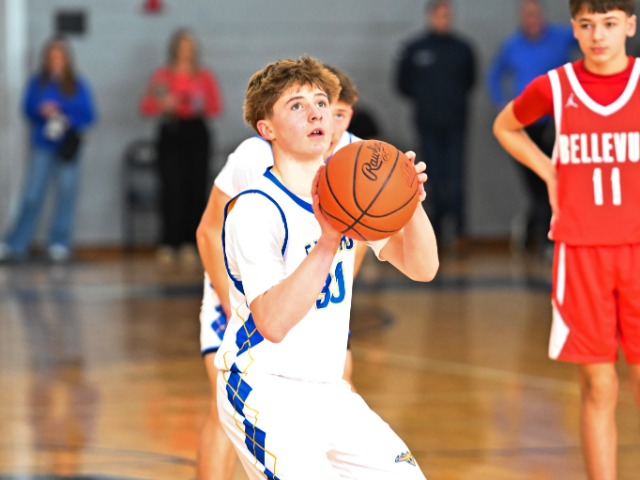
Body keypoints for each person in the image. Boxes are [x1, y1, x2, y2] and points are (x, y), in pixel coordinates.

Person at [215, 55, 438, 479]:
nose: (316, 112)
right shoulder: (255, 208)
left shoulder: (349, 195)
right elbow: (273, 323)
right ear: (267, 128)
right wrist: (329, 239)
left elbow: (422, 268)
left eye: (321, 102)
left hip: (328, 390)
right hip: (262, 388)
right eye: (296, 105)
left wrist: (410, 203)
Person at [195, 63, 366, 480]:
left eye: (337, 112)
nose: (326, 119)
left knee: (339, 389)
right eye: (309, 106)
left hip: (307, 296)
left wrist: (332, 298)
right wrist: (234, 303)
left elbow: (357, 244)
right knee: (226, 405)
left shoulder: (358, 160)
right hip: (242, 293)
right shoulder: (254, 155)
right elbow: (209, 230)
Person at [493, 1, 640, 478]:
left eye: (610, 24)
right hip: (581, 252)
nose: (598, 35)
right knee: (599, 385)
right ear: (574, 28)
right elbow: (505, 126)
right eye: (588, 25)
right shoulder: (555, 86)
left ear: (630, 26)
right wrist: (550, 171)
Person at [488, 0, 578, 255]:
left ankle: (541, 236)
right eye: (527, 15)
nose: (532, 20)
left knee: (555, 180)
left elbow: (589, 39)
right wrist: (500, 101)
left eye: (535, 14)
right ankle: (535, 234)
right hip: (524, 126)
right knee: (538, 184)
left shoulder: (560, 37)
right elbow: (493, 75)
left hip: (555, 125)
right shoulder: (513, 45)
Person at [0, 37, 96, 264]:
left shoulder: (77, 84)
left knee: (66, 193)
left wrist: (66, 113)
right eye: (52, 56)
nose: (56, 60)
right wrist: (42, 110)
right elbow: (27, 109)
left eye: (60, 56)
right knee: (32, 194)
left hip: (67, 148)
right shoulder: (38, 83)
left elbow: (89, 114)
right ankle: (15, 243)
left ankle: (59, 243)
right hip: (43, 146)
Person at [395, 0, 476, 249]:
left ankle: (459, 233)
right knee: (431, 177)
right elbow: (402, 84)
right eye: (439, 15)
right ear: (430, 16)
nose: (443, 19)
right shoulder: (414, 48)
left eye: (447, 15)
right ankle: (436, 233)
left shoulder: (463, 48)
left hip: (456, 124)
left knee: (456, 177)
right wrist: (425, 99)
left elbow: (470, 81)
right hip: (427, 124)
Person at [140, 28, 223, 267]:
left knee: (195, 188)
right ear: (175, 49)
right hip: (171, 130)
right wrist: (163, 104)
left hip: (196, 133)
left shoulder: (204, 76)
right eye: (182, 47)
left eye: (190, 47)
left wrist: (197, 104)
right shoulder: (163, 76)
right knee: (171, 187)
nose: (186, 51)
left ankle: (190, 243)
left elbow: (215, 106)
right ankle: (169, 242)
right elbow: (146, 106)